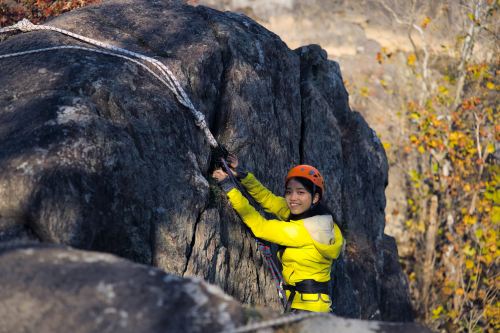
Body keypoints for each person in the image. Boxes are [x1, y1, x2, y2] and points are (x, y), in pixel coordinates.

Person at [213, 153, 343, 313]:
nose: (293, 198)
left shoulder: (307, 230)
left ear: (315, 197)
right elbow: (268, 200)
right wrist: (242, 174)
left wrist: (229, 188)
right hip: (309, 305)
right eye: (289, 192)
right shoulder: (314, 216)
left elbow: (261, 227)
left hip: (307, 309)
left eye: (301, 192)